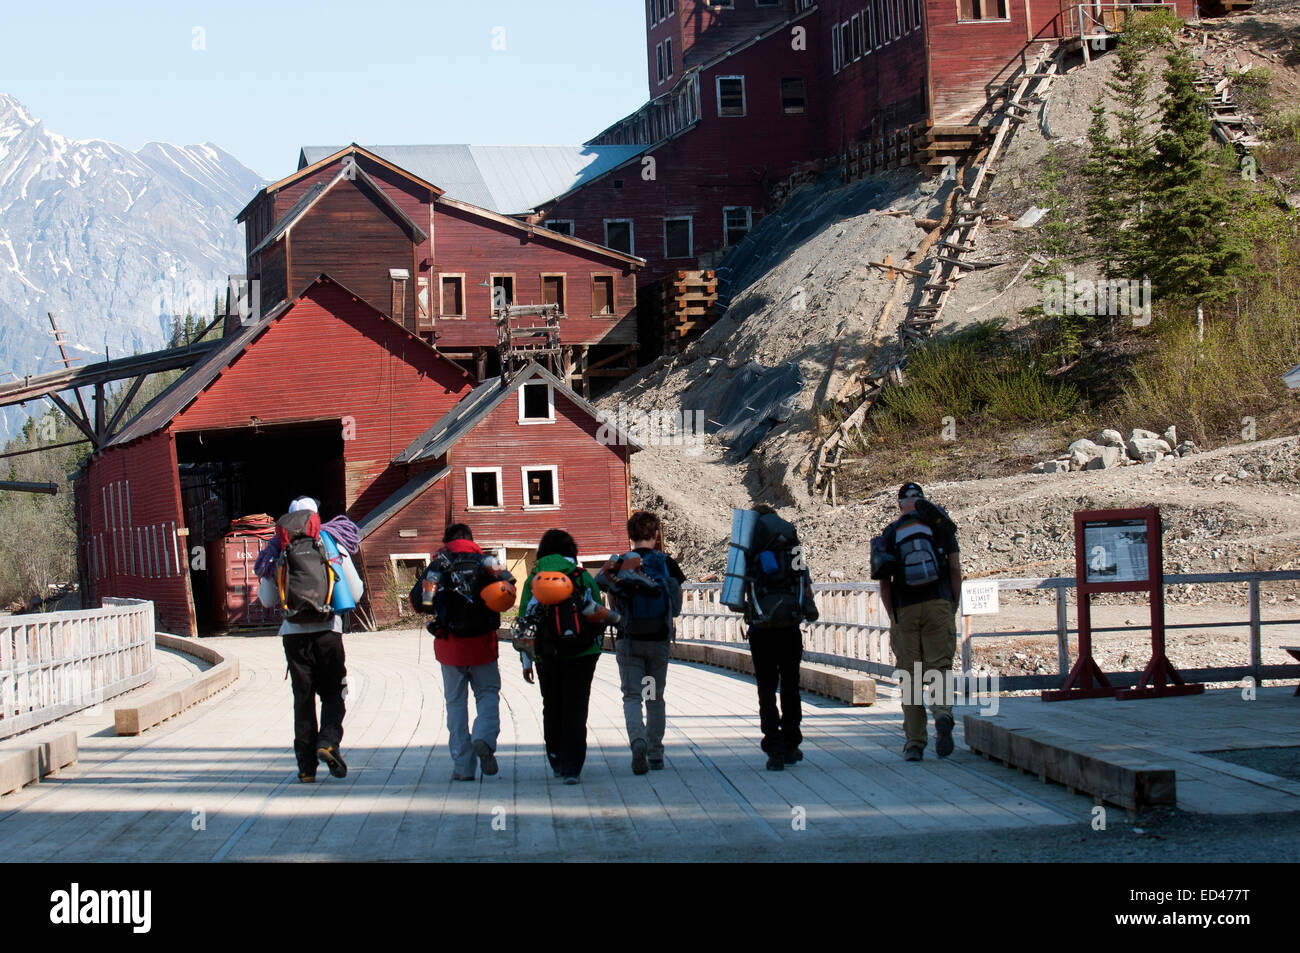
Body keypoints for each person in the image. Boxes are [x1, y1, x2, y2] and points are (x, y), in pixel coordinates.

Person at [256, 496, 364, 783]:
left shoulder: (278, 547)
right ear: (316, 517)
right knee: (334, 693)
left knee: (302, 699)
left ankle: (306, 769)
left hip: (293, 635)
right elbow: (355, 593)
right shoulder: (333, 541)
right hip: (328, 631)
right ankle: (328, 742)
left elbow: (267, 599)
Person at [410, 524, 513, 781]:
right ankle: (484, 738)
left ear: (447, 541)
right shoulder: (486, 561)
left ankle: (463, 768)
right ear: (471, 539)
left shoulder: (439, 564)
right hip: (483, 645)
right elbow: (508, 589)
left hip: (450, 646)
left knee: (456, 705)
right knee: (488, 694)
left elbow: (419, 602)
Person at [871, 482, 962, 762]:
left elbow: (884, 583)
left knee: (910, 678)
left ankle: (914, 743)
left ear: (899, 505)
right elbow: (955, 568)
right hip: (939, 603)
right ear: (923, 500)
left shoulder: (889, 534)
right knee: (939, 667)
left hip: (905, 609)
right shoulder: (940, 525)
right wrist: (951, 603)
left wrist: (892, 615)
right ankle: (943, 714)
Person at [514, 529, 610, 784]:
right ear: (572, 551)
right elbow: (597, 615)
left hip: (547, 654)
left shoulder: (533, 580)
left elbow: (526, 622)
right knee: (576, 707)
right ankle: (572, 767)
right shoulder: (582, 577)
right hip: (582, 653)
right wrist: (595, 648)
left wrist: (526, 661)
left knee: (552, 705)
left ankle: (556, 759)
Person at [596, 511, 684, 776]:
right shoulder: (666, 563)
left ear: (630, 536)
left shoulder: (623, 564)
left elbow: (612, 604)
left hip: (630, 640)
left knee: (632, 696)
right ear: (656, 534)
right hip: (657, 641)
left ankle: (638, 742)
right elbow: (677, 606)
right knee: (653, 696)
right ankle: (655, 752)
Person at [741, 504, 819, 772]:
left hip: (762, 629)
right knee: (790, 685)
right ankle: (792, 743)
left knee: (766, 688)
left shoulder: (750, 548)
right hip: (790, 625)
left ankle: (773, 746)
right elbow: (803, 581)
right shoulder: (792, 545)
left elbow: (738, 592)